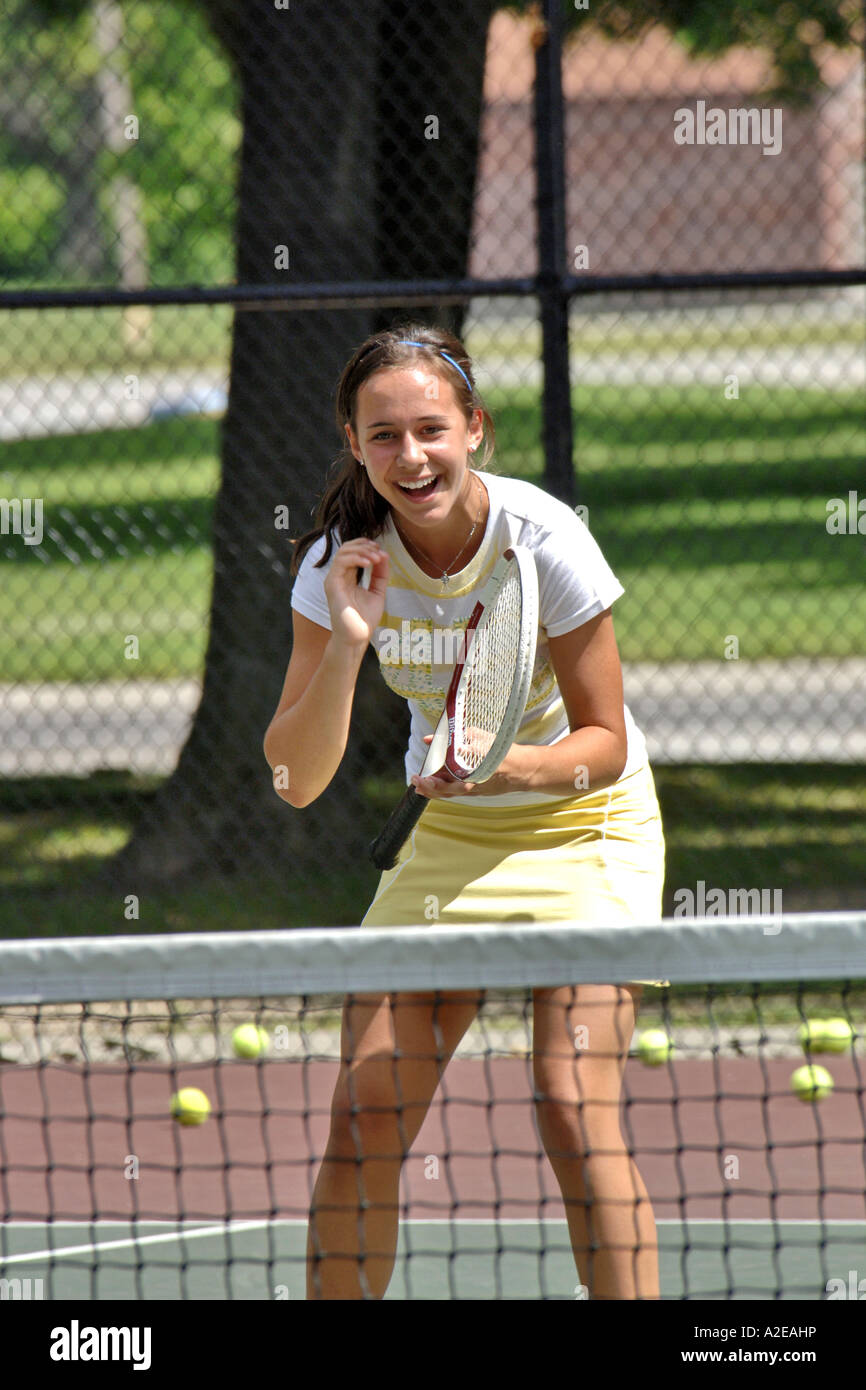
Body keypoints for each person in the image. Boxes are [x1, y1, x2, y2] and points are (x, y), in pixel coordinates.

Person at [263, 325, 666, 1300]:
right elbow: (295, 779)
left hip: (583, 824)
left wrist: (504, 767)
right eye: (385, 435)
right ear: (353, 444)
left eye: (431, 429)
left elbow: (603, 742)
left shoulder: (542, 538)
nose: (412, 456)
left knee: (569, 1104)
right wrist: (351, 637)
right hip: (441, 838)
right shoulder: (335, 567)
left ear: (474, 430)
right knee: (364, 1115)